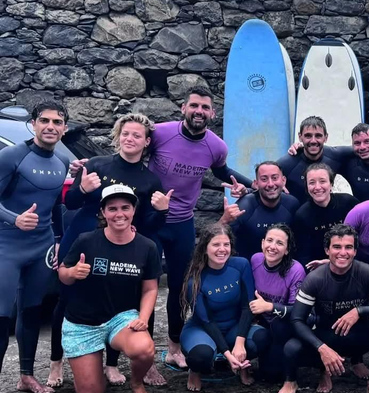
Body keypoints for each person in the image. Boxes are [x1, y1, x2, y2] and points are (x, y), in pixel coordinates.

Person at [70, 87, 253, 367]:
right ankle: (147, 356)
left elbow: (219, 170)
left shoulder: (217, 146)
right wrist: (90, 168)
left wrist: (250, 184)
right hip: (149, 221)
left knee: (179, 286)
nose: (199, 111)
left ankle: (175, 347)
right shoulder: (161, 133)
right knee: (146, 284)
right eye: (194, 105)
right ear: (183, 108)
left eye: (205, 107)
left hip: (181, 222)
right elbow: (129, 157)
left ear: (212, 114)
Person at [50, 113, 169, 388]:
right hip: (81, 240)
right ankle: (56, 361)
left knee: (118, 301)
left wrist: (163, 212)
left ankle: (111, 364)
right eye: (125, 133)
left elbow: (148, 225)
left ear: (146, 142)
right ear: (118, 137)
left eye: (137, 135)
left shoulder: (150, 180)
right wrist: (81, 186)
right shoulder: (96, 164)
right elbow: (71, 202)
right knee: (66, 298)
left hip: (118, 243)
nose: (130, 139)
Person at [58, 184, 160, 393]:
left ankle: (137, 381)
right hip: (82, 323)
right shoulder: (86, 241)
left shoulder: (147, 247)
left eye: (125, 207)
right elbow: (63, 275)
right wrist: (72, 273)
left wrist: (143, 317)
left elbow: (150, 289)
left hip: (120, 318)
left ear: (133, 211)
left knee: (143, 349)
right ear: (103, 212)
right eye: (112, 209)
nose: (119, 214)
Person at [0, 100, 70, 393]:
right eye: (45, 121)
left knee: (31, 311)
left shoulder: (63, 162)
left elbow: (56, 207)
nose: (50, 127)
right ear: (34, 123)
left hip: (41, 247)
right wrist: (15, 219)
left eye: (57, 122)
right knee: (2, 316)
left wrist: (57, 241)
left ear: (64, 128)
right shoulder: (11, 156)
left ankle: (26, 376)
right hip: (7, 246)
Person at [280, 225, 369, 393]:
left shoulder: (365, 271)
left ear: (355, 251)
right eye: (337, 247)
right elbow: (297, 319)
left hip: (358, 337)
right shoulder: (315, 279)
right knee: (291, 347)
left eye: (348, 247)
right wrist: (322, 348)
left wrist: (359, 311)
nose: (343, 252)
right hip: (328, 337)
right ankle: (293, 381)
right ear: (327, 250)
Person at [180, 223, 263, 391]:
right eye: (216, 244)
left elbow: (247, 307)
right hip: (203, 329)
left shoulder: (240, 265)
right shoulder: (195, 280)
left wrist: (239, 344)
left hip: (233, 328)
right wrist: (227, 353)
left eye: (226, 244)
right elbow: (206, 320)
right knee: (201, 357)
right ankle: (195, 370)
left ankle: (241, 365)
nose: (222, 249)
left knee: (262, 338)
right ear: (205, 248)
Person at [278, 117, 369, 206]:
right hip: (300, 219)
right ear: (300, 137)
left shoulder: (335, 155)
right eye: (308, 136)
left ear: (326, 137)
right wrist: (276, 184)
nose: (313, 140)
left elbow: (362, 147)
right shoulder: (289, 161)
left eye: (318, 135)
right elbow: (264, 176)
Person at [249, 223, 306, 381]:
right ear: (262, 243)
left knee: (274, 375)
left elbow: (298, 311)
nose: (272, 247)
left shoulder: (296, 270)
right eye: (269, 240)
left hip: (285, 326)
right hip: (263, 323)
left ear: (287, 250)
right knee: (259, 343)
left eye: (280, 243)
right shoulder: (255, 260)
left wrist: (269, 306)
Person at [219, 161, 299, 260]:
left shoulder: (292, 204)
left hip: (282, 269)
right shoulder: (244, 206)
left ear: (283, 181)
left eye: (274, 178)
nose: (270, 184)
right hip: (249, 269)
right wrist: (223, 220)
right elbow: (214, 241)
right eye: (264, 179)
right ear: (256, 184)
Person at [293, 163, 359, 266]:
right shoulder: (302, 216)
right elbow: (303, 255)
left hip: (352, 263)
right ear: (306, 186)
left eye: (322, 181)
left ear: (331, 184)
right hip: (320, 269)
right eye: (312, 182)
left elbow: (362, 238)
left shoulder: (349, 203)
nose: (317, 187)